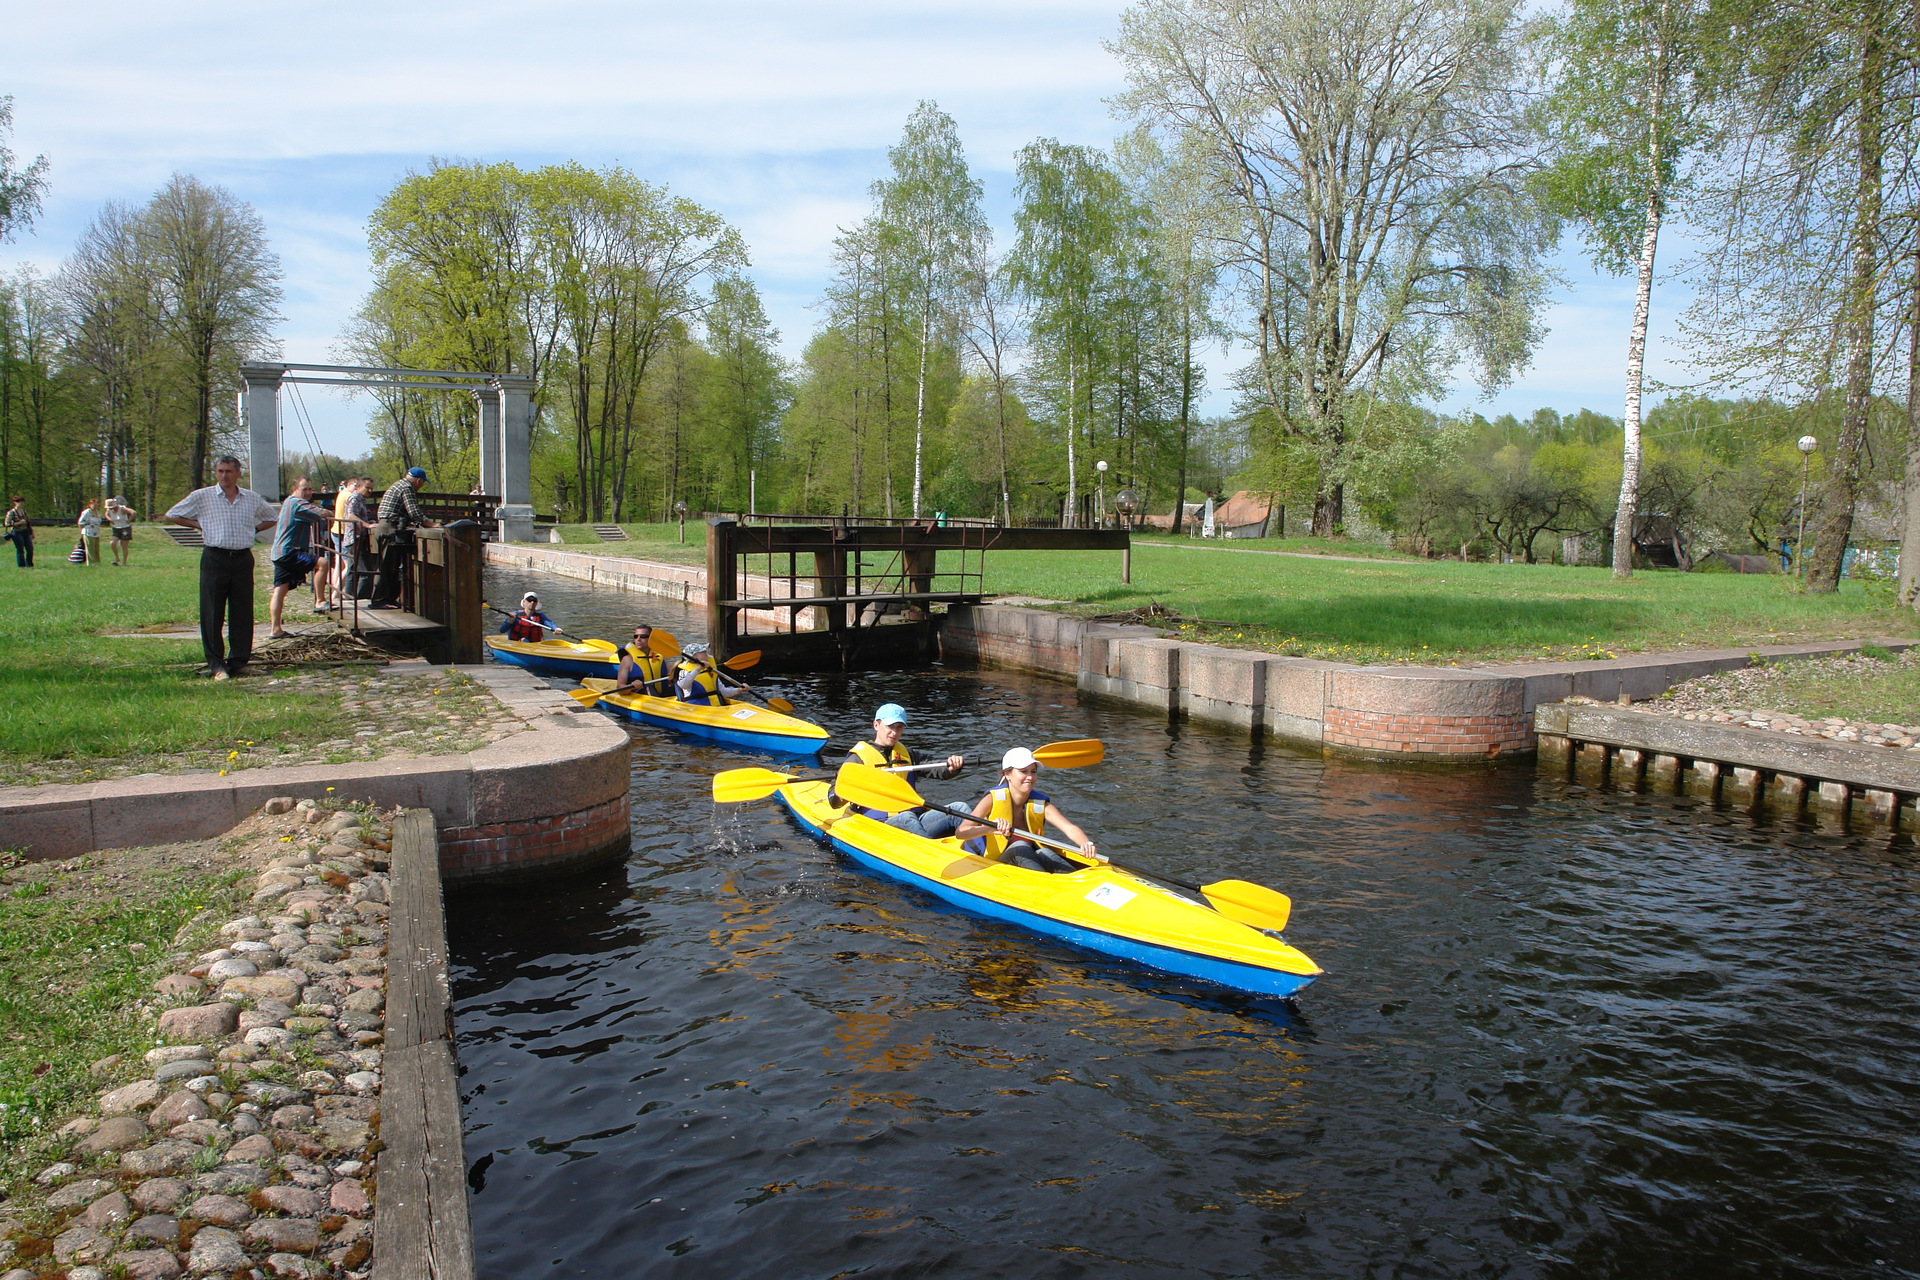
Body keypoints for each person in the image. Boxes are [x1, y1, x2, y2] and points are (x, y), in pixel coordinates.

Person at [164, 456, 278, 680]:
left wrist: (252, 530)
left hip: (242, 557)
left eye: (228, 471)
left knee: (242, 611)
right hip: (215, 557)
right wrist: (197, 524)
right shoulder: (202, 496)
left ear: (238, 473)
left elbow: (272, 517)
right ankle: (216, 664)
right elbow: (172, 514)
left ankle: (239, 661)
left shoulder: (251, 498)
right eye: (220, 471)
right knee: (212, 611)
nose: (224, 476)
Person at [958, 747, 1101, 873]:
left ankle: (1074, 883)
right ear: (1007, 774)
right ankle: (1048, 884)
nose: (1030, 777)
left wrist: (1086, 843)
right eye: (1023, 771)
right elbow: (961, 832)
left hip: (1023, 860)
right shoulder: (991, 799)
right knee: (1019, 846)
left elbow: (1069, 828)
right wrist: (989, 828)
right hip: (992, 863)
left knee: (1045, 852)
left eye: (1033, 772)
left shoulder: (1040, 804)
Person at [839, 702, 969, 840]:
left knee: (959, 808)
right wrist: (849, 789)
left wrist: (952, 767)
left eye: (899, 727)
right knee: (906, 817)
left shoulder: (907, 754)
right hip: (878, 824)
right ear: (876, 725)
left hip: (912, 819)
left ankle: (983, 852)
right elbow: (834, 798)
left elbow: (935, 767)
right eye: (890, 727)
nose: (894, 733)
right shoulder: (858, 759)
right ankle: (930, 852)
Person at [267, 476, 335, 639]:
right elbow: (320, 512)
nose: (307, 493)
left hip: (279, 552)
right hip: (290, 551)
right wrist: (329, 512)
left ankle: (275, 629)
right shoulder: (296, 503)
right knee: (322, 563)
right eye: (304, 489)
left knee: (280, 590)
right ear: (295, 489)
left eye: (310, 489)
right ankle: (319, 601)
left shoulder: (289, 502)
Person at [371, 466, 439, 610]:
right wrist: (431, 524)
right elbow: (414, 511)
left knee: (389, 566)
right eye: (422, 483)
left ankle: (388, 598)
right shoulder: (407, 488)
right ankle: (379, 600)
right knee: (386, 567)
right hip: (389, 528)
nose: (421, 487)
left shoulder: (399, 484)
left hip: (386, 526)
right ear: (419, 480)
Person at [674, 641, 754, 705]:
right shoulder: (685, 672)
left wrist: (739, 690)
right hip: (695, 709)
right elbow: (682, 685)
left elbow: (723, 692)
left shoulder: (711, 672)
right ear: (693, 656)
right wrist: (698, 669)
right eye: (702, 651)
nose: (706, 652)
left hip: (715, 708)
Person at [615, 624, 672, 696]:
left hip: (662, 696)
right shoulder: (627, 659)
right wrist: (632, 686)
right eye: (636, 636)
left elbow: (670, 680)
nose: (638, 639)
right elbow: (620, 688)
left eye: (643, 636)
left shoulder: (661, 656)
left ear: (651, 639)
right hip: (640, 696)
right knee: (649, 688)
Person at [106, 496, 138, 565]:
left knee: (124, 546)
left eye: (112, 507)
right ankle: (117, 558)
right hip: (116, 528)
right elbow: (106, 515)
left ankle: (124, 562)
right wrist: (109, 519)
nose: (112, 509)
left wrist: (129, 520)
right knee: (113, 543)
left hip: (125, 528)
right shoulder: (109, 510)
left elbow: (134, 512)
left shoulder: (122, 509)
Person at [4, 496, 31, 568]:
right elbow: (7, 524)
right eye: (19, 502)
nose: (21, 503)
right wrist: (18, 523)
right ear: (15, 503)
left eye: (22, 502)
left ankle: (29, 564)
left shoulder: (24, 512)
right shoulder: (11, 512)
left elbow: (28, 522)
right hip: (16, 532)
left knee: (30, 548)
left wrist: (31, 532)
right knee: (20, 549)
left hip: (25, 531)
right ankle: (21, 565)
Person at [76, 498, 103, 565]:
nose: (95, 506)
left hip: (96, 532)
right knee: (90, 548)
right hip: (88, 531)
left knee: (96, 548)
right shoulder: (86, 512)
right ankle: (90, 563)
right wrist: (82, 531)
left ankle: (97, 562)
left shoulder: (97, 513)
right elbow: (80, 522)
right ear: (90, 505)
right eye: (94, 505)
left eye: (97, 505)